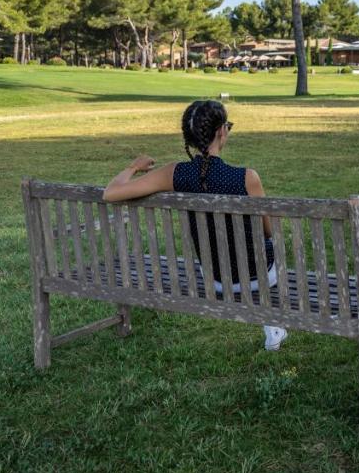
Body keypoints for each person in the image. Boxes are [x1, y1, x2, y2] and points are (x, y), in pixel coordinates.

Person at [102, 99, 288, 351]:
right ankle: (272, 324)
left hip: (215, 278)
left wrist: (134, 167)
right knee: (266, 245)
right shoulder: (247, 178)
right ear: (221, 131)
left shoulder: (174, 174)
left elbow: (111, 193)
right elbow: (270, 231)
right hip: (260, 277)